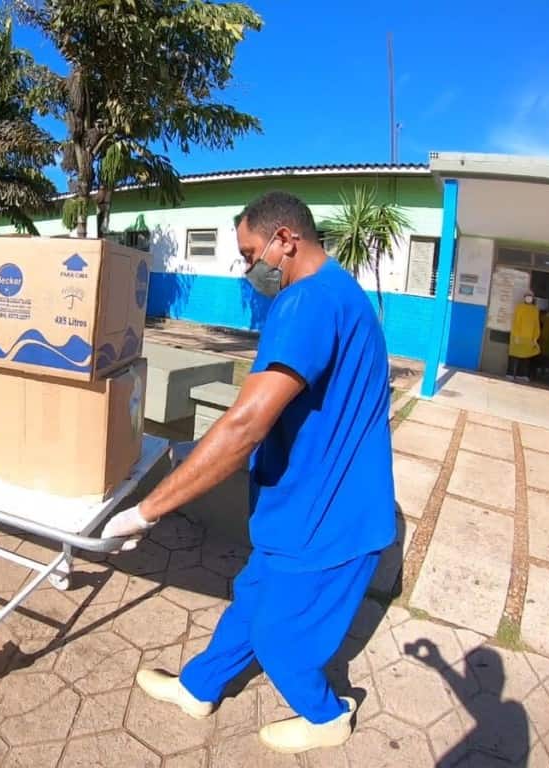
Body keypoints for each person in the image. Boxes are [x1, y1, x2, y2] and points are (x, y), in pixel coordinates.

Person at [100, 191, 395, 755]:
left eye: (250, 253)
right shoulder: (342, 294)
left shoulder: (306, 303)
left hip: (326, 523)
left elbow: (245, 426)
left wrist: (145, 510)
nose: (247, 269)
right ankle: (198, 688)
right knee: (251, 603)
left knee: (280, 636)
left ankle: (328, 715)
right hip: (302, 510)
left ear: (287, 240)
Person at [506, 291, 540, 383]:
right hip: (517, 336)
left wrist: (535, 337)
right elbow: (515, 321)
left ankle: (523, 375)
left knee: (526, 357)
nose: (529, 298)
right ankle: (510, 373)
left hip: (529, 337)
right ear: (524, 298)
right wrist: (516, 335)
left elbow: (536, 324)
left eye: (530, 296)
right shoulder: (519, 307)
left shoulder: (535, 310)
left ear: (533, 298)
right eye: (527, 296)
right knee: (514, 356)